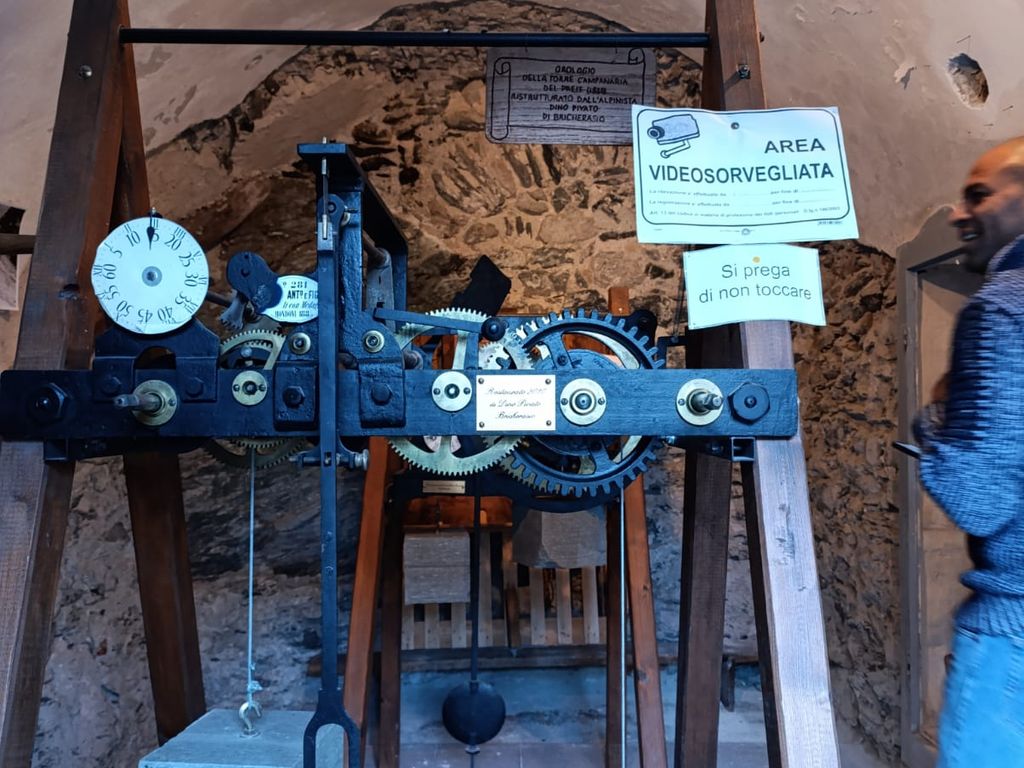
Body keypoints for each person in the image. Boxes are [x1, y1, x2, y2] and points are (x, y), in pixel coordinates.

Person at [914, 136, 1024, 767]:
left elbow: (980, 500)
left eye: (978, 195)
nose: (959, 214)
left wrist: (936, 416)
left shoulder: (1000, 309)